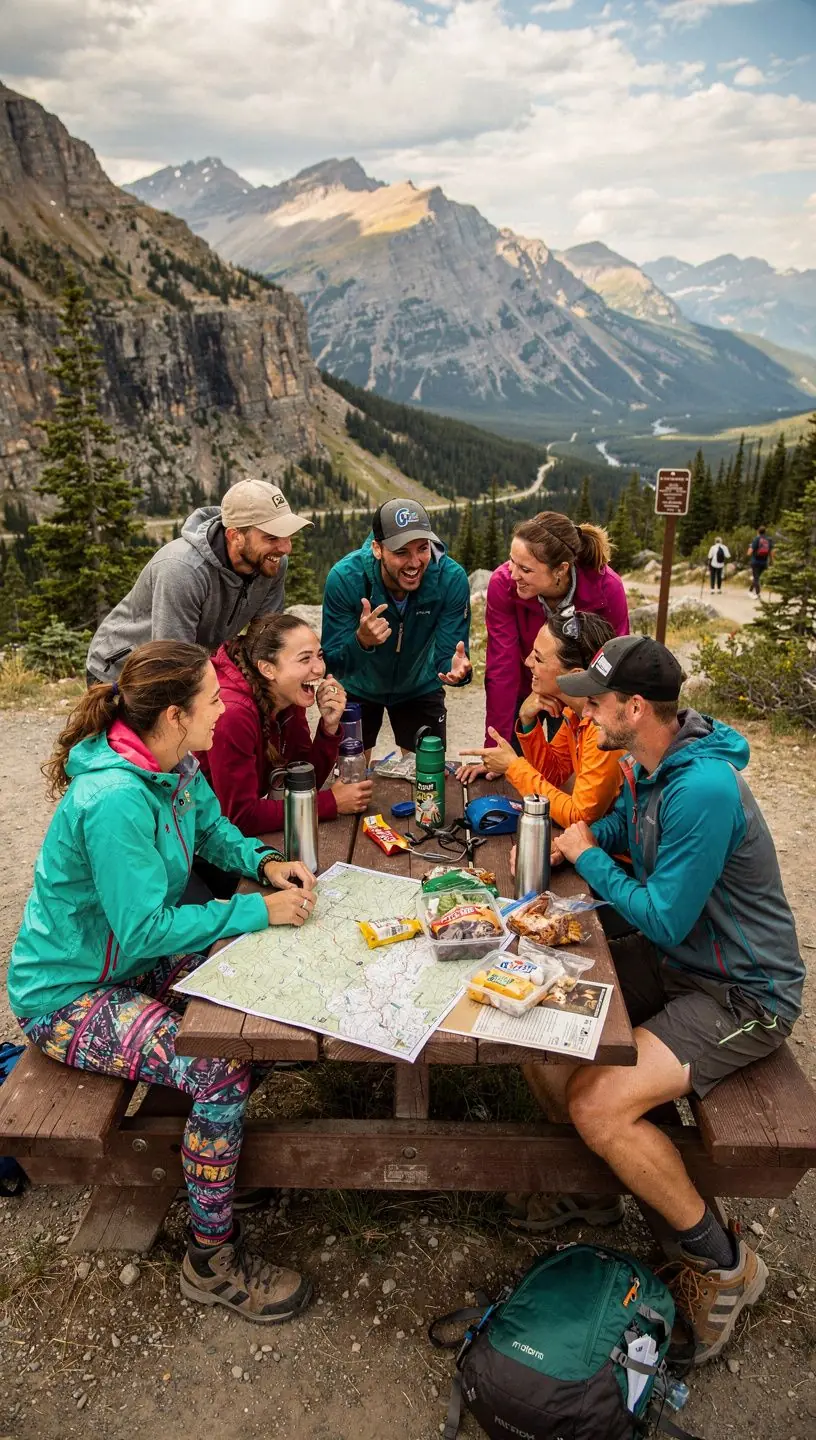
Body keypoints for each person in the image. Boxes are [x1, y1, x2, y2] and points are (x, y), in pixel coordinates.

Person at [510, 634, 804, 1366]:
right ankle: (600, 1191)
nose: (586, 708)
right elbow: (626, 831)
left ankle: (727, 1267)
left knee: (598, 1103)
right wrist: (579, 836)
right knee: (540, 1010)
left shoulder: (703, 789)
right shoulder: (654, 764)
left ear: (633, 707)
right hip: (684, 964)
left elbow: (666, 913)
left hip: (743, 993)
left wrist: (582, 859)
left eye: (596, 700)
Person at [8, 641, 319, 1324]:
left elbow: (212, 829)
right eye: (213, 699)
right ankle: (211, 1259)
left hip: (125, 965)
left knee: (256, 999)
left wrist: (263, 865)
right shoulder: (115, 798)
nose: (223, 708)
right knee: (219, 1066)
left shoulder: (171, 762)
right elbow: (146, 928)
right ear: (175, 714)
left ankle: (214, 1163)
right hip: (69, 993)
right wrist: (251, 909)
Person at [86, 479, 312, 684]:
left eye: (288, 536)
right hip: (121, 672)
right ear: (235, 536)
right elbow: (172, 661)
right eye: (271, 537)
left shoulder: (272, 563)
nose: (285, 548)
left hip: (189, 663)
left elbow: (264, 638)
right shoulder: (182, 569)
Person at [473, 512, 629, 776]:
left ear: (560, 570)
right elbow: (502, 667)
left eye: (525, 569)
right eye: (512, 562)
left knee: (572, 775)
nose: (513, 575)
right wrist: (495, 747)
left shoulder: (607, 589)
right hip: (527, 685)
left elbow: (612, 666)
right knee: (510, 769)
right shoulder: (503, 584)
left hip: (577, 694)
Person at [198, 614, 373, 842]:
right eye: (304, 659)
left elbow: (302, 781)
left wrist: (328, 728)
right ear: (268, 669)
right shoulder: (232, 714)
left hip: (232, 838)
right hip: (202, 843)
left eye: (319, 656)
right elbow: (239, 817)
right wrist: (331, 802)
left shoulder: (287, 696)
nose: (319, 669)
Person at [321, 499, 471, 753]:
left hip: (420, 686)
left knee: (427, 777)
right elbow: (333, 664)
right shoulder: (345, 578)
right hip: (358, 687)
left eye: (422, 548)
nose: (414, 563)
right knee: (350, 777)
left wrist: (458, 672)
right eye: (401, 552)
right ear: (377, 549)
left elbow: (449, 656)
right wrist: (361, 642)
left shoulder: (451, 578)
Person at [458, 612, 623, 828]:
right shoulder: (576, 712)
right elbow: (554, 775)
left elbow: (579, 817)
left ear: (574, 675)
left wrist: (513, 767)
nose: (527, 662)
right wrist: (528, 722)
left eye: (538, 658)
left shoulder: (603, 730)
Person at [747, 525, 773, 595]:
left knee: (756, 578)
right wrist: (772, 561)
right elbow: (771, 552)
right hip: (764, 562)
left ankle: (757, 594)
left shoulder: (756, 539)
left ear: (758, 531)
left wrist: (750, 548)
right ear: (765, 532)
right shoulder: (769, 540)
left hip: (755, 561)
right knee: (757, 577)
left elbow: (749, 553)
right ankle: (750, 590)